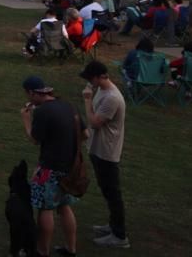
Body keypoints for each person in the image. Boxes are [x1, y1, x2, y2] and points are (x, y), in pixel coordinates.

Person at [20, 76, 79, 257]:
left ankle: (41, 251)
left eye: (28, 94)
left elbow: (35, 139)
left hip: (49, 167)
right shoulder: (67, 106)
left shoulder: (43, 112)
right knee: (64, 206)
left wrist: (26, 119)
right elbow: (83, 133)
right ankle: (71, 249)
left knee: (45, 208)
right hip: (69, 167)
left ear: (32, 93)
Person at [79, 61, 128, 249]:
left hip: (107, 152)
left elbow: (94, 122)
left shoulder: (112, 98)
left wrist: (87, 100)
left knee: (113, 193)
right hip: (98, 149)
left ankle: (120, 236)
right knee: (107, 190)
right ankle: (113, 225)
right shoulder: (101, 90)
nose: (89, 82)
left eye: (90, 78)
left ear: (99, 77)